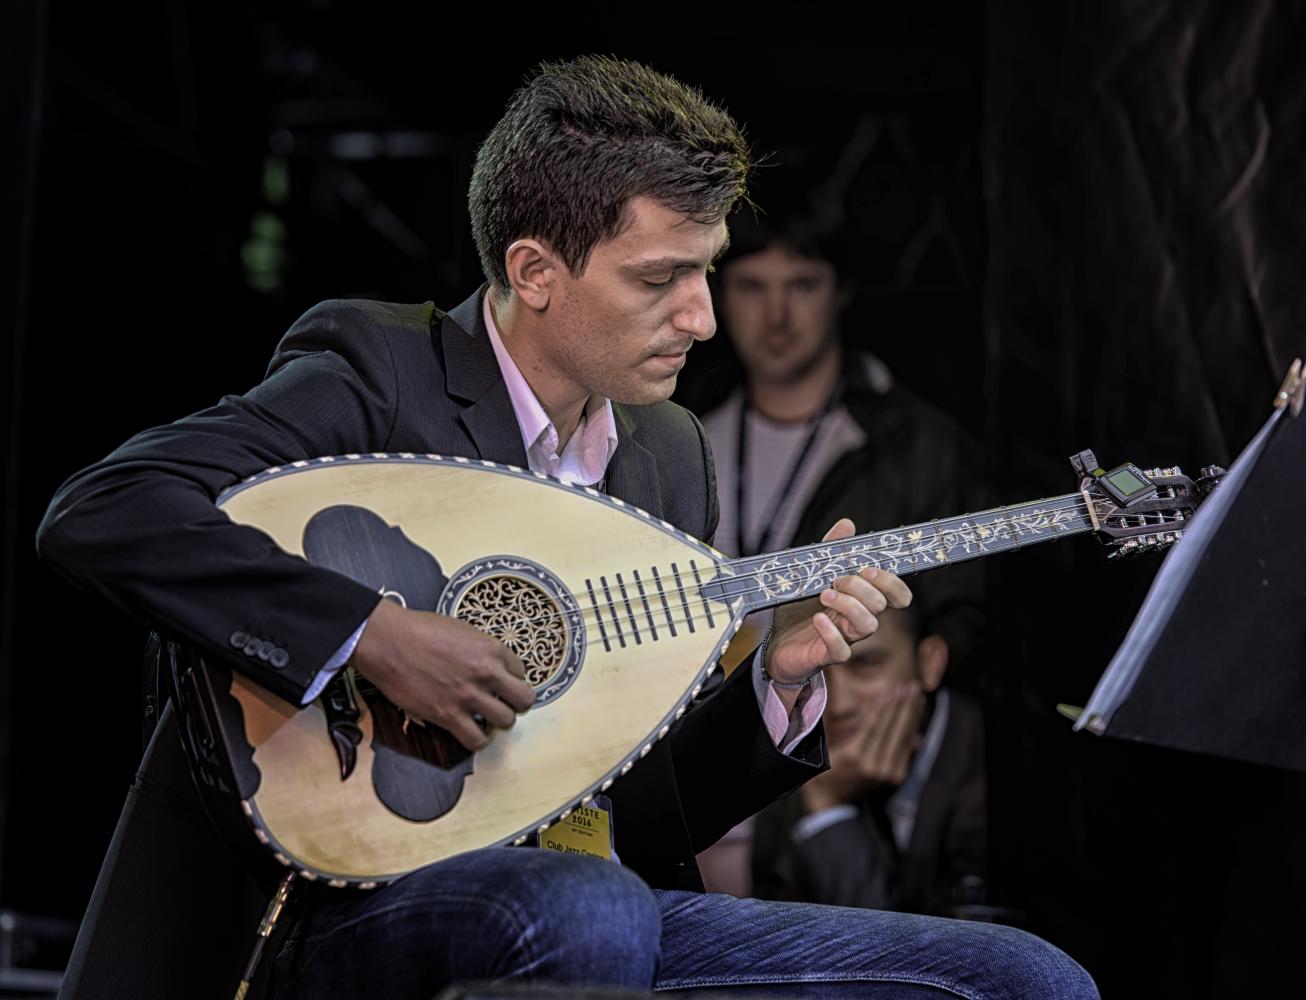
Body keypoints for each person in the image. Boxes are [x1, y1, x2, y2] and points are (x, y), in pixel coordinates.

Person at [37, 56, 1096, 999]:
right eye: (660, 279)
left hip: (594, 898)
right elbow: (103, 510)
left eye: (706, 269)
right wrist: (372, 634)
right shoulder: (376, 375)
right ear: (536, 271)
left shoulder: (669, 457)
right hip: (339, 903)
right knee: (589, 911)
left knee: (1025, 976)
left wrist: (776, 683)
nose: (704, 318)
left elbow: (650, 812)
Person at [694, 174, 989, 900]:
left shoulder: (916, 445)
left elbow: (961, 621)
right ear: (713, 292)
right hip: (701, 758)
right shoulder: (679, 437)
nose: (777, 315)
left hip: (849, 766)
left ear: (841, 292)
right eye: (750, 285)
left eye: (802, 284)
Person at [751, 604, 988, 916]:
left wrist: (828, 804)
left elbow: (905, 958)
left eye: (866, 665)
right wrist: (826, 799)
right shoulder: (795, 764)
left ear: (930, 663)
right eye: (815, 678)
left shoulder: (992, 770)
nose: (839, 706)